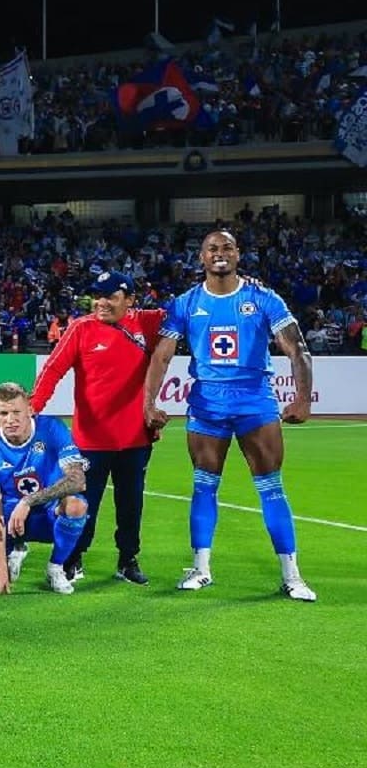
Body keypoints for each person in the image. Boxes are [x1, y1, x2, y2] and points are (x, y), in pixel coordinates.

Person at [142, 230, 317, 601]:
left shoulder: (263, 298)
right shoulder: (186, 303)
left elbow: (297, 347)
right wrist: (149, 403)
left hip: (254, 402)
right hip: (207, 405)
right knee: (204, 485)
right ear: (201, 258)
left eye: (226, 248)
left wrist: (303, 399)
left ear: (238, 254)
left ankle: (292, 576)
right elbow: (161, 356)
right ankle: (201, 569)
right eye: (211, 249)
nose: (219, 254)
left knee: (271, 487)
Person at [29, 270, 164, 585]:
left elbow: (189, 310)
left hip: (135, 439)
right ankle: (73, 559)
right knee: (83, 505)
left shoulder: (148, 323)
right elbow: (52, 371)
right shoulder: (81, 328)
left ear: (130, 300)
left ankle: (127, 559)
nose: (101, 303)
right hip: (90, 441)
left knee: (131, 505)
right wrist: (33, 409)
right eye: (97, 296)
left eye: (110, 296)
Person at [0, 384, 89, 596]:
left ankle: (56, 568)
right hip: (11, 518)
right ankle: (13, 551)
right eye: (4, 413)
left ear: (30, 410)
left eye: (16, 412)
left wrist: (28, 501)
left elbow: (77, 480)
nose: (10, 419)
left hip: (48, 511)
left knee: (76, 506)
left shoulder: (52, 429)